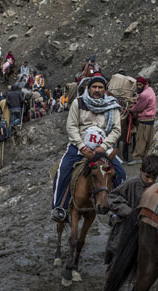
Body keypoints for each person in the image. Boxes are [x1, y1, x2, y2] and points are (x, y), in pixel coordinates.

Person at [51, 75, 127, 222]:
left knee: (121, 173)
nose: (97, 90)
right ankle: (60, 207)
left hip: (103, 147)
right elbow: (71, 126)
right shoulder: (78, 103)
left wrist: (103, 146)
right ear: (89, 88)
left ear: (105, 90)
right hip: (80, 146)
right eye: (94, 87)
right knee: (63, 169)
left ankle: (115, 208)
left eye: (100, 87)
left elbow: (116, 130)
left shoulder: (113, 106)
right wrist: (81, 146)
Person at [103, 154, 158, 266]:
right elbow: (112, 197)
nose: (150, 181)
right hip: (125, 227)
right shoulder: (131, 183)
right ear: (141, 170)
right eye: (147, 176)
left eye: (154, 178)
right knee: (117, 258)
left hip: (144, 230)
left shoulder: (157, 188)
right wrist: (129, 213)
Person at [127, 77, 157, 165]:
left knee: (141, 138)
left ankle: (138, 157)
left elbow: (138, 107)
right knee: (147, 138)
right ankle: (145, 155)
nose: (138, 87)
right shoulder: (150, 90)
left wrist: (130, 109)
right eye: (137, 85)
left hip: (145, 118)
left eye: (140, 85)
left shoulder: (144, 94)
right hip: (151, 117)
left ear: (144, 85)